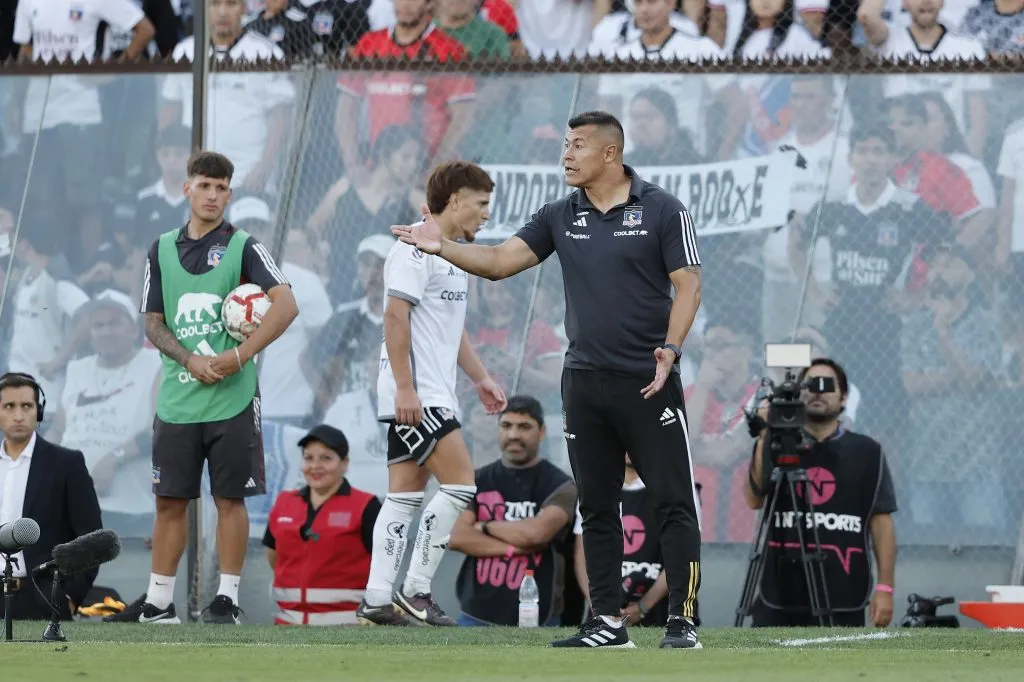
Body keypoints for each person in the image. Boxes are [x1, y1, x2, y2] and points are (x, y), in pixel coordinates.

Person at [391, 111, 704, 649]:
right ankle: (607, 623)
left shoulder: (662, 209)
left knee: (673, 501)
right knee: (596, 505)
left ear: (610, 153)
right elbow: (498, 261)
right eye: (565, 144)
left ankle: (682, 621)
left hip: (648, 380)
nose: (567, 154)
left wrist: (671, 351)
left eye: (577, 145)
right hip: (582, 382)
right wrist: (442, 246)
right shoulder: (560, 213)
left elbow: (690, 283)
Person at [105, 151, 299, 625]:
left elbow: (286, 305)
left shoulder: (245, 246)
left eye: (221, 188)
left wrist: (239, 356)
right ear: (186, 189)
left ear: (229, 194)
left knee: (229, 499)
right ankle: (158, 603)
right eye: (204, 185)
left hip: (233, 399)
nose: (212, 195)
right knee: (169, 501)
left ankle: (226, 600)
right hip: (178, 400)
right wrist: (190, 359)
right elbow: (153, 323)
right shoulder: (160, 249)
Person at [356, 161, 508, 627]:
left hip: (428, 393)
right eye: (481, 203)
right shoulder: (413, 249)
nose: (486, 213)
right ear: (456, 200)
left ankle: (377, 598)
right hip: (419, 395)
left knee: (403, 496)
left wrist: (481, 377)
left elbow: (449, 329)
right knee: (461, 485)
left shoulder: (452, 252)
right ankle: (416, 590)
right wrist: (405, 388)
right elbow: (394, 317)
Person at [744, 358, 897, 628]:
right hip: (780, 589)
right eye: (809, 385)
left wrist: (885, 587)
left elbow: (881, 523)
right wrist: (766, 435)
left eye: (827, 385)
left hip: (844, 589)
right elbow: (753, 499)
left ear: (844, 397)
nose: (817, 392)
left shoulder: (868, 452)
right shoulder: (777, 444)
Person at [450, 395, 577, 627]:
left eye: (524, 427)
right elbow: (456, 537)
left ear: (542, 432)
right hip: (476, 614)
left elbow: (537, 534)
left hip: (539, 615)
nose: (513, 435)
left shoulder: (561, 486)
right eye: (506, 425)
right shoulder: (476, 480)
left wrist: (484, 526)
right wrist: (513, 548)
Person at [0, 373, 103, 621]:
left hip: (43, 599)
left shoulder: (66, 464)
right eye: (9, 406)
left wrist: (69, 598)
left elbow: (91, 539)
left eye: (27, 406)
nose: (18, 415)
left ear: (39, 411)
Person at [264, 424, 381, 626]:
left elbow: (383, 566)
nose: (315, 466)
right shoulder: (284, 502)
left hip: (347, 630)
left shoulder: (366, 506)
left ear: (344, 463)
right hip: (287, 627)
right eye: (308, 458)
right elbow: (274, 557)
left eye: (326, 458)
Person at [574, 454, 673, 630]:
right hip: (603, 614)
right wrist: (601, 607)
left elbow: (681, 556)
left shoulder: (670, 486)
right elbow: (582, 556)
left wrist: (642, 607)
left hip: (662, 615)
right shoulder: (595, 487)